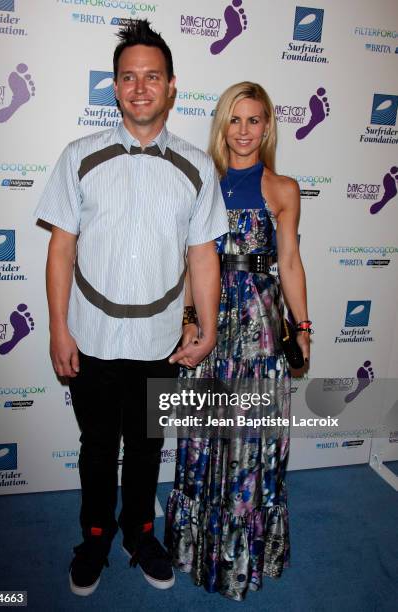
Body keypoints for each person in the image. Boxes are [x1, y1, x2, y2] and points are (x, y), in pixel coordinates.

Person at [34, 20, 229, 596]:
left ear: (172, 86)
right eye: (128, 77)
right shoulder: (78, 157)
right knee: (97, 450)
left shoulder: (196, 166)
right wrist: (58, 328)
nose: (140, 87)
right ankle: (94, 537)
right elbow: (61, 247)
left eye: (152, 77)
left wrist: (208, 326)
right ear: (114, 88)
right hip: (90, 338)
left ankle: (140, 533)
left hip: (160, 343)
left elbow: (202, 256)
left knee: (145, 449)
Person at [165, 82, 311, 601]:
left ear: (268, 126)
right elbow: (193, 260)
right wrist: (189, 318)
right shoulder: (202, 182)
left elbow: (289, 262)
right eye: (235, 120)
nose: (244, 131)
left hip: (263, 325)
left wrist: (304, 326)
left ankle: (244, 550)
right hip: (212, 317)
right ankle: (194, 547)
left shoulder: (284, 189)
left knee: (251, 439)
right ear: (222, 125)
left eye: (254, 121)